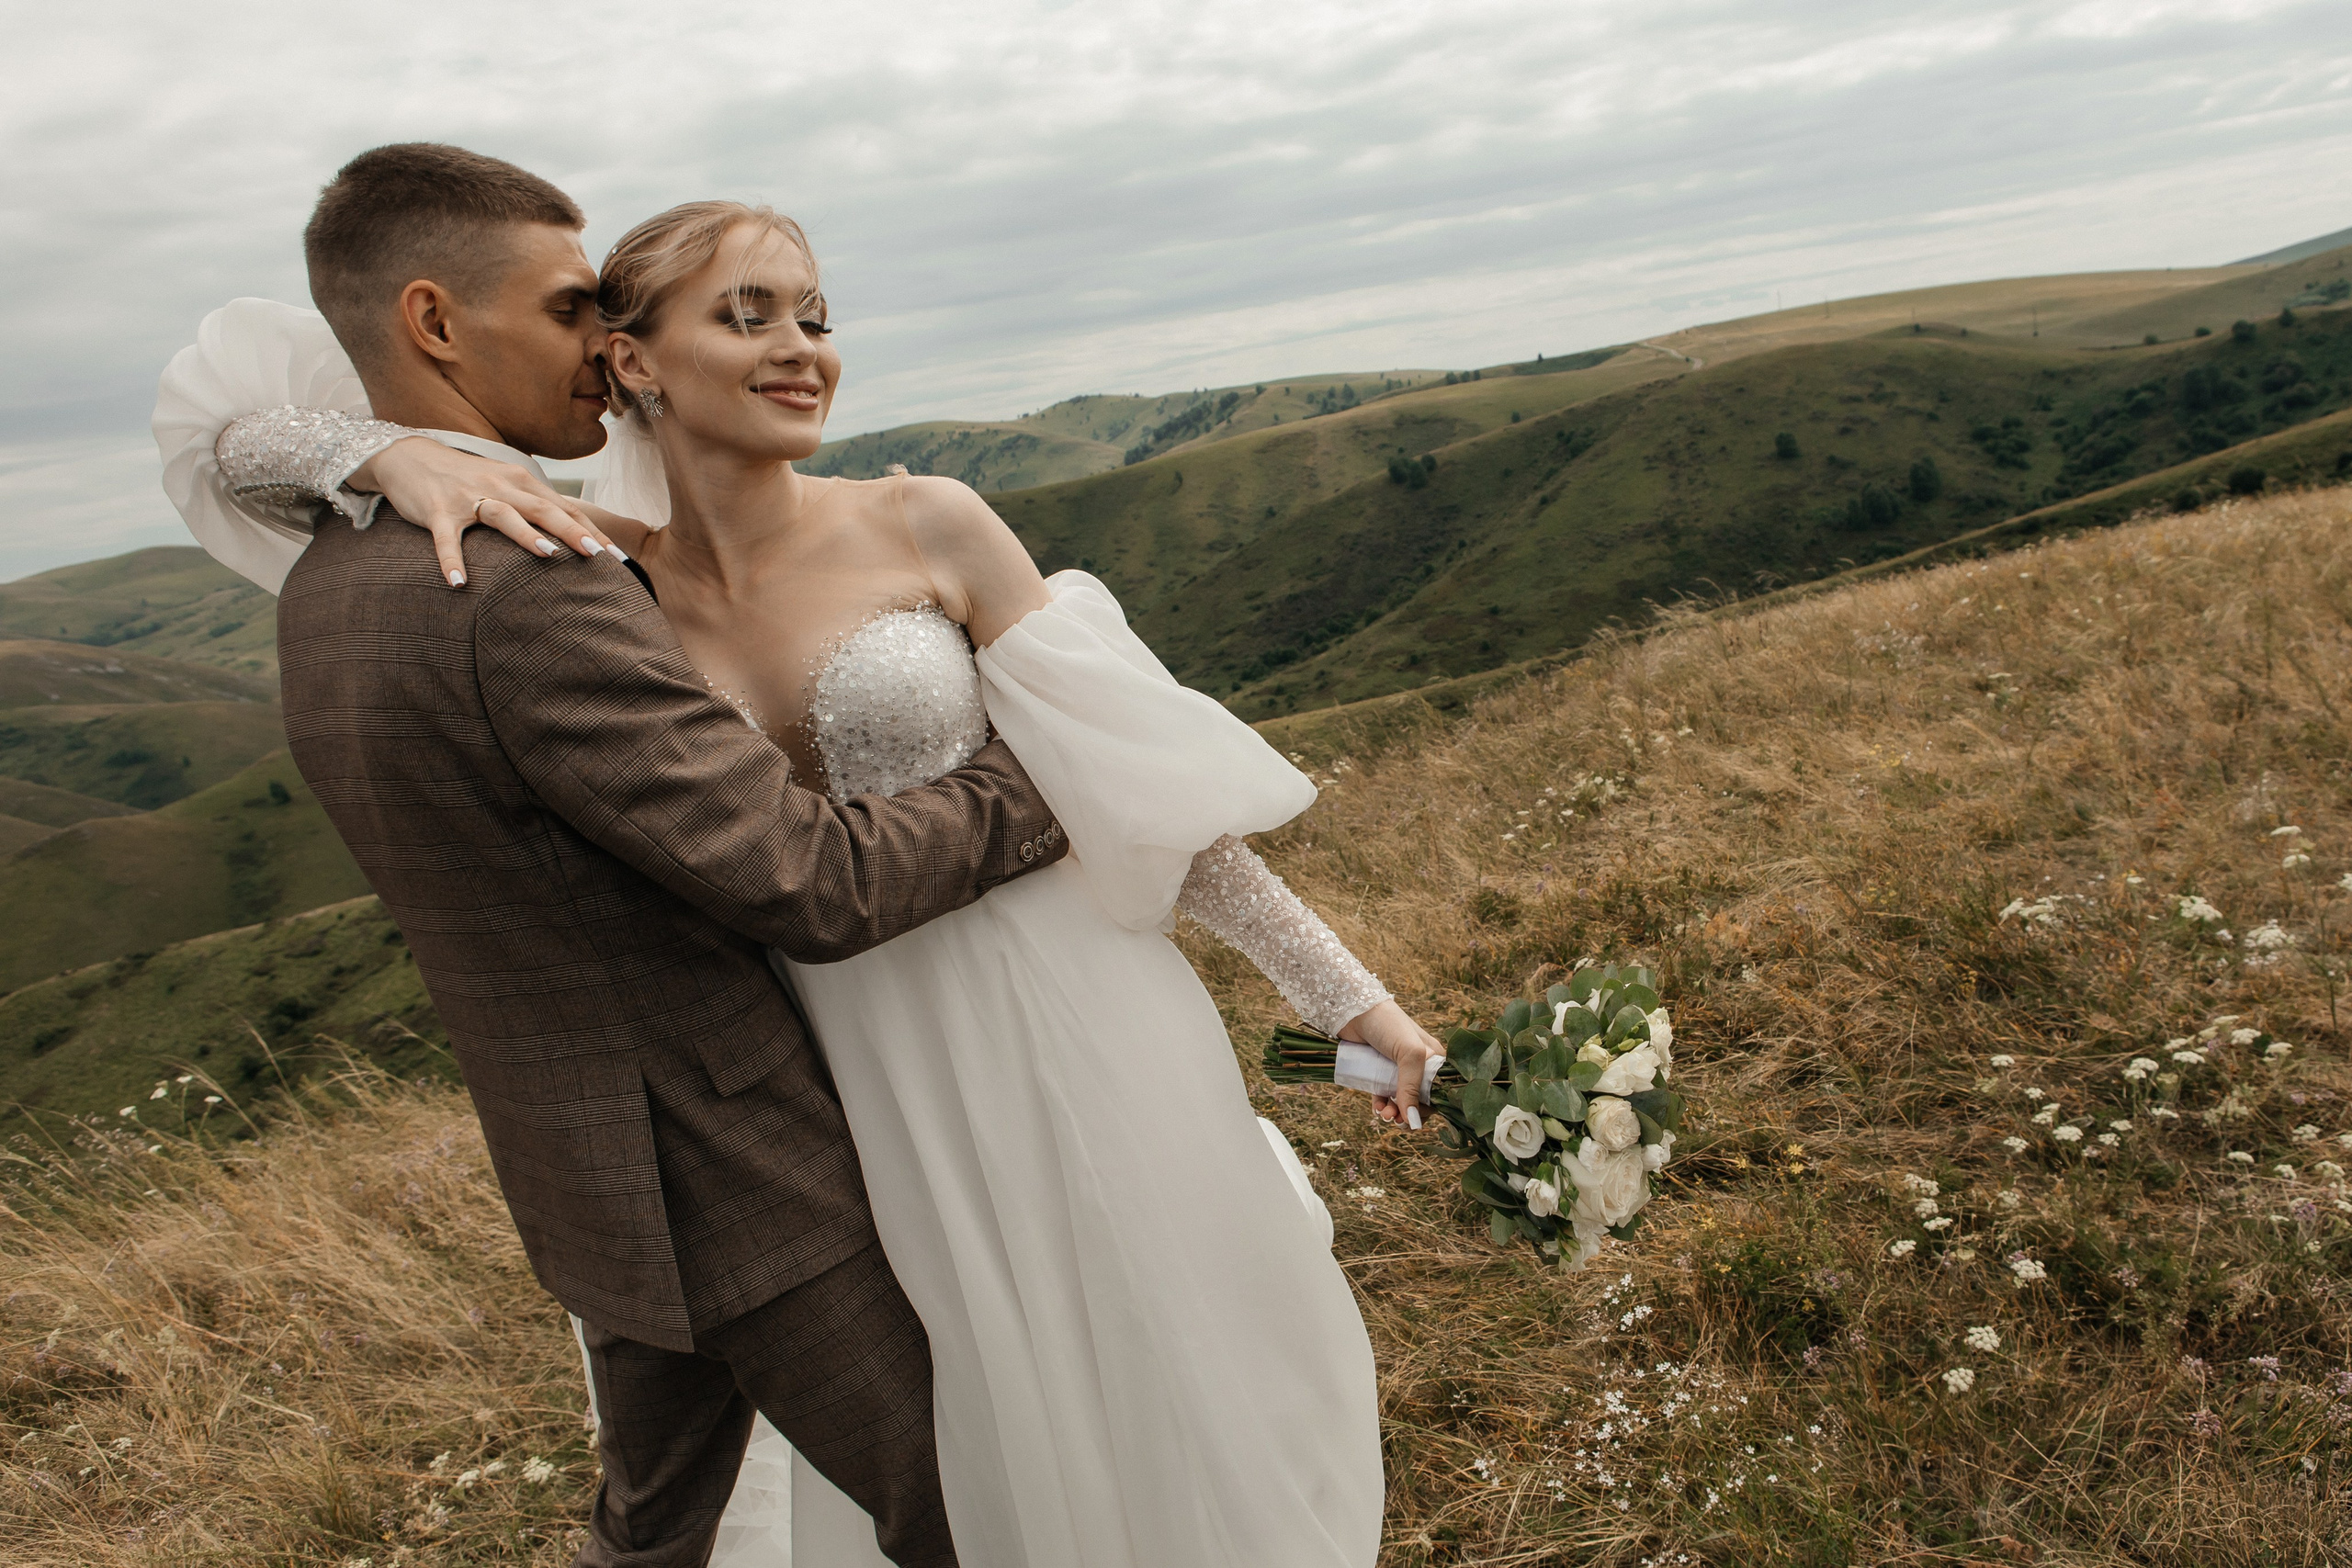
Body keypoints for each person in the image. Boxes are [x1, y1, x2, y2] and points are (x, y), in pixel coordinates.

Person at [165, 148, 1444, 1568]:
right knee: (989, 1425)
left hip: (1064, 1014)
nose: (799, 351)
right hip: (852, 1068)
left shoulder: (931, 518)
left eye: (816, 316)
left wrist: (1350, 1005)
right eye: (749, 314)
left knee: (1165, 1365)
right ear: (632, 361)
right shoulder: (596, 569)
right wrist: (371, 448)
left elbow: (1143, 789)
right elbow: (232, 433)